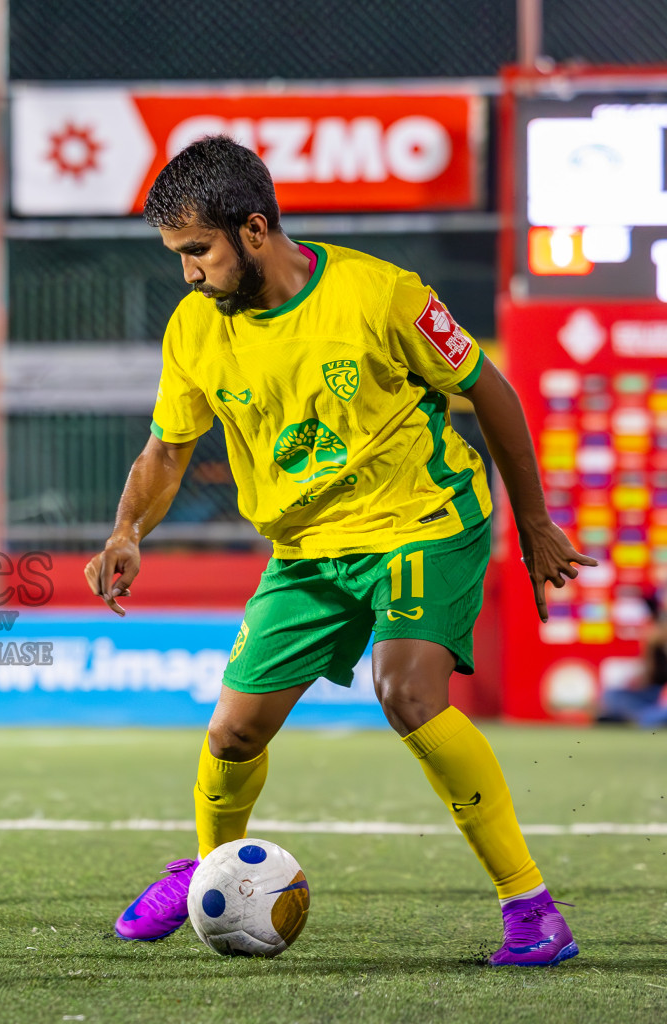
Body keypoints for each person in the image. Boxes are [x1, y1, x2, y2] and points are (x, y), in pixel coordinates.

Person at [85, 136, 593, 967]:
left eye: (197, 252)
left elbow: (488, 387)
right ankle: (206, 866)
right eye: (178, 257)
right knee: (234, 736)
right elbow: (168, 449)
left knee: (408, 693)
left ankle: (531, 907)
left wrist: (532, 521)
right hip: (307, 551)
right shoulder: (196, 330)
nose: (188, 274)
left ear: (253, 231)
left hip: (422, 521)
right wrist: (127, 529)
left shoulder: (379, 294)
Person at [597, 593, 667, 726]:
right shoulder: (652, 645)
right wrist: (638, 682)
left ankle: (636, 718)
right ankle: (636, 717)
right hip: (653, 695)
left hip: (663, 701)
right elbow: (650, 678)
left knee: (657, 715)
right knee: (612, 694)